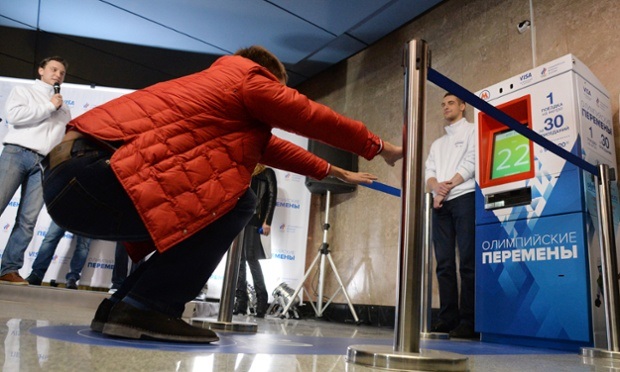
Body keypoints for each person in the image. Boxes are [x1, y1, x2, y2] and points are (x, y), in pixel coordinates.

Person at [41, 45, 403, 343]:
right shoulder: (246, 77)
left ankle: (123, 307)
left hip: (71, 178)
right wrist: (379, 145)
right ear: (268, 76)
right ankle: (146, 306)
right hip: (92, 175)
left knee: (226, 193)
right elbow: (308, 115)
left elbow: (273, 149)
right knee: (238, 199)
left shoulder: (218, 92)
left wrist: (337, 171)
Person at [0, 56, 70, 285]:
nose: (58, 74)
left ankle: (8, 269)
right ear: (41, 70)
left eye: (61, 72)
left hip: (43, 164)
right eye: (53, 69)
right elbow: (14, 117)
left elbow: (62, 138)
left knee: (28, 220)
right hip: (17, 153)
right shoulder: (24, 91)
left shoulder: (64, 106)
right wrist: (50, 106)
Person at [425, 93, 477, 339]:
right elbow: (429, 173)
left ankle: (469, 321)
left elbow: (472, 162)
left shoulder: (473, 131)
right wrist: (437, 187)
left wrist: (446, 187)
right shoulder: (437, 144)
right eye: (443, 104)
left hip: (465, 198)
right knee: (444, 264)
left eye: (451, 103)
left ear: (463, 106)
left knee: (467, 262)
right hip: (441, 205)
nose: (446, 107)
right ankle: (448, 319)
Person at [234, 165, 277, 318]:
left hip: (255, 219)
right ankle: (240, 302)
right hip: (239, 218)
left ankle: (261, 301)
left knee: (251, 258)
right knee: (239, 260)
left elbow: (272, 197)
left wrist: (267, 221)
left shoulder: (267, 172)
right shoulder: (244, 170)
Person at [25, 220, 92, 289]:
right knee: (50, 238)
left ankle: (72, 278)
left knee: (83, 246)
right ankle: (37, 274)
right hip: (64, 211)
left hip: (87, 213)